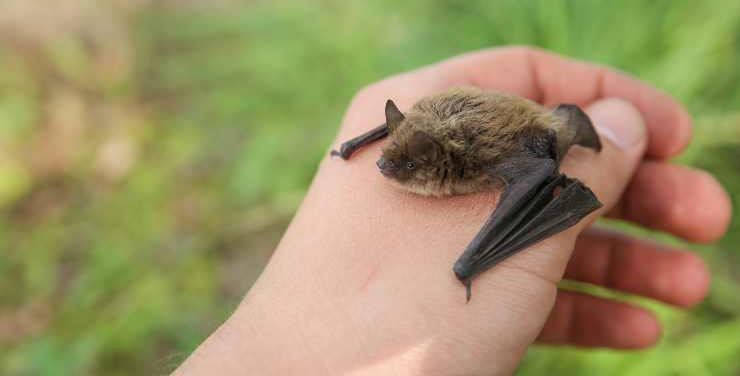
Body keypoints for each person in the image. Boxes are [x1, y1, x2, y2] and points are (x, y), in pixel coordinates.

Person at [173, 46, 731, 375]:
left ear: (437, 167)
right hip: (456, 122)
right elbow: (406, 142)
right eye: (390, 154)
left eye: (404, 165)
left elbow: (528, 163)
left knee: (538, 173)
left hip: (533, 136)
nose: (388, 170)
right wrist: (359, 147)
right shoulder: (416, 133)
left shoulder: (485, 163)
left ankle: (588, 139)